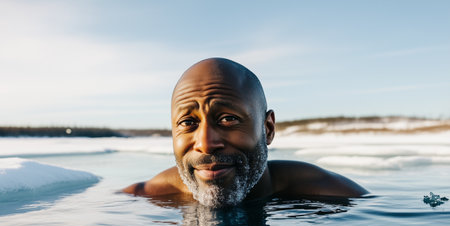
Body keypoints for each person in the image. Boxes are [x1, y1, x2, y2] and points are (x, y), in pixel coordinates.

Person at [123, 57, 368, 206]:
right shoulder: (143, 197)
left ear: (268, 129)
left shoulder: (335, 196)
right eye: (188, 123)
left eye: (228, 119)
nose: (206, 144)